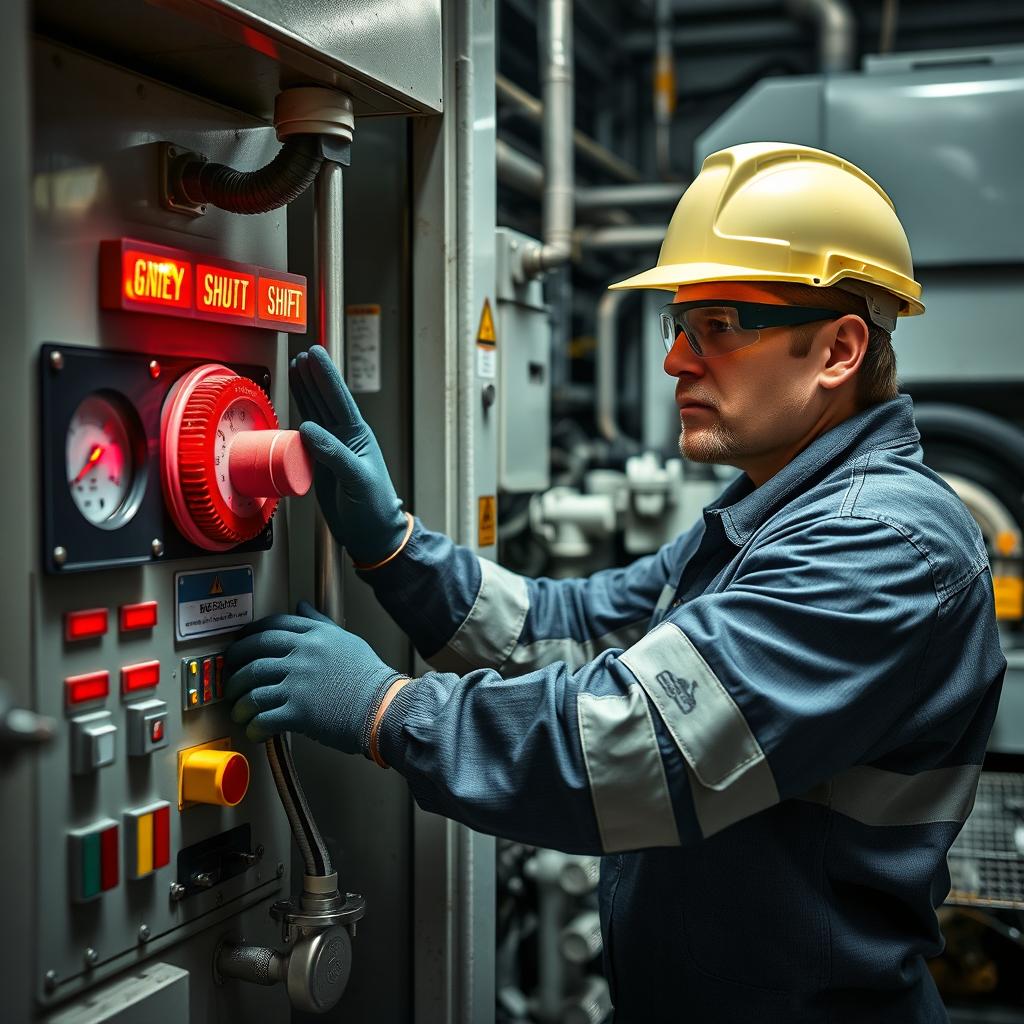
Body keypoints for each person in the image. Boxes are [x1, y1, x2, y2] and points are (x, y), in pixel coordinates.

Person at [224, 142, 1006, 1022]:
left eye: (719, 327)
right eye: (678, 326)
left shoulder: (879, 546)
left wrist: (387, 711)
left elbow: (635, 747)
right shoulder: (768, 513)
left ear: (838, 350)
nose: (676, 362)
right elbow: (573, 625)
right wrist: (396, 549)